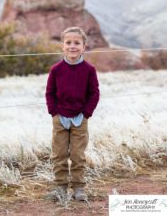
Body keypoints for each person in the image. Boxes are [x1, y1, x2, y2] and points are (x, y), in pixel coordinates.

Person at [45, 27, 100, 201]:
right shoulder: (56, 69)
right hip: (59, 118)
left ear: (84, 47)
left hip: (80, 119)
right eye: (68, 43)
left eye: (77, 43)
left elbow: (94, 93)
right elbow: (50, 93)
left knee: (78, 155)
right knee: (59, 154)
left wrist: (86, 114)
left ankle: (79, 188)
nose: (72, 46)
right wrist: (54, 112)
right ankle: (60, 187)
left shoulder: (89, 70)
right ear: (63, 46)